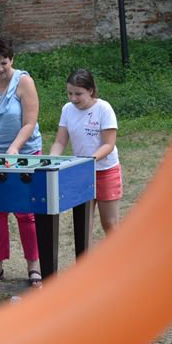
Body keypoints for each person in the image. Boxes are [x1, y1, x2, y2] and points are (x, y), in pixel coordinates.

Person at [0, 37, 44, 288]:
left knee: (25, 211)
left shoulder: (24, 82)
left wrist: (15, 147)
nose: (0, 68)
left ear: (11, 60)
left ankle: (34, 266)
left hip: (24, 152)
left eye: (4, 63)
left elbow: (29, 122)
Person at [49, 68, 122, 237]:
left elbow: (109, 144)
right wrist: (51, 159)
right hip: (81, 173)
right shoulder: (67, 109)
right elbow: (60, 142)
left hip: (105, 172)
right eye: (70, 93)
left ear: (90, 90)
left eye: (78, 94)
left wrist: (88, 160)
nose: (73, 98)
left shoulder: (104, 109)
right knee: (83, 225)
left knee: (109, 224)